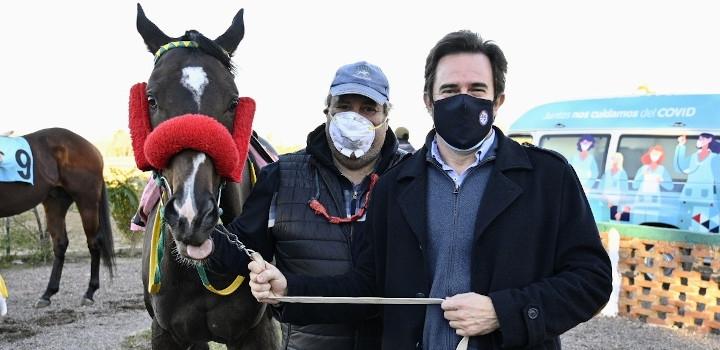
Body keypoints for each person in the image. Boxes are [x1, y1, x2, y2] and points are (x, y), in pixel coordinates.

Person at [248, 30, 612, 350]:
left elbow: (591, 279)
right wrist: (290, 289)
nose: (464, 101)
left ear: (498, 100)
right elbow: (366, 286)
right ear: (428, 101)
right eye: (450, 90)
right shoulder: (395, 185)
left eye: (477, 90)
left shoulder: (547, 179)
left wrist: (504, 312)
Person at [207, 61, 408, 349]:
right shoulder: (283, 176)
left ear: (386, 115)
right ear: (328, 109)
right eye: (344, 106)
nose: (355, 118)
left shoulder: (410, 179)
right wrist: (206, 241)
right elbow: (244, 247)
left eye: (368, 109)